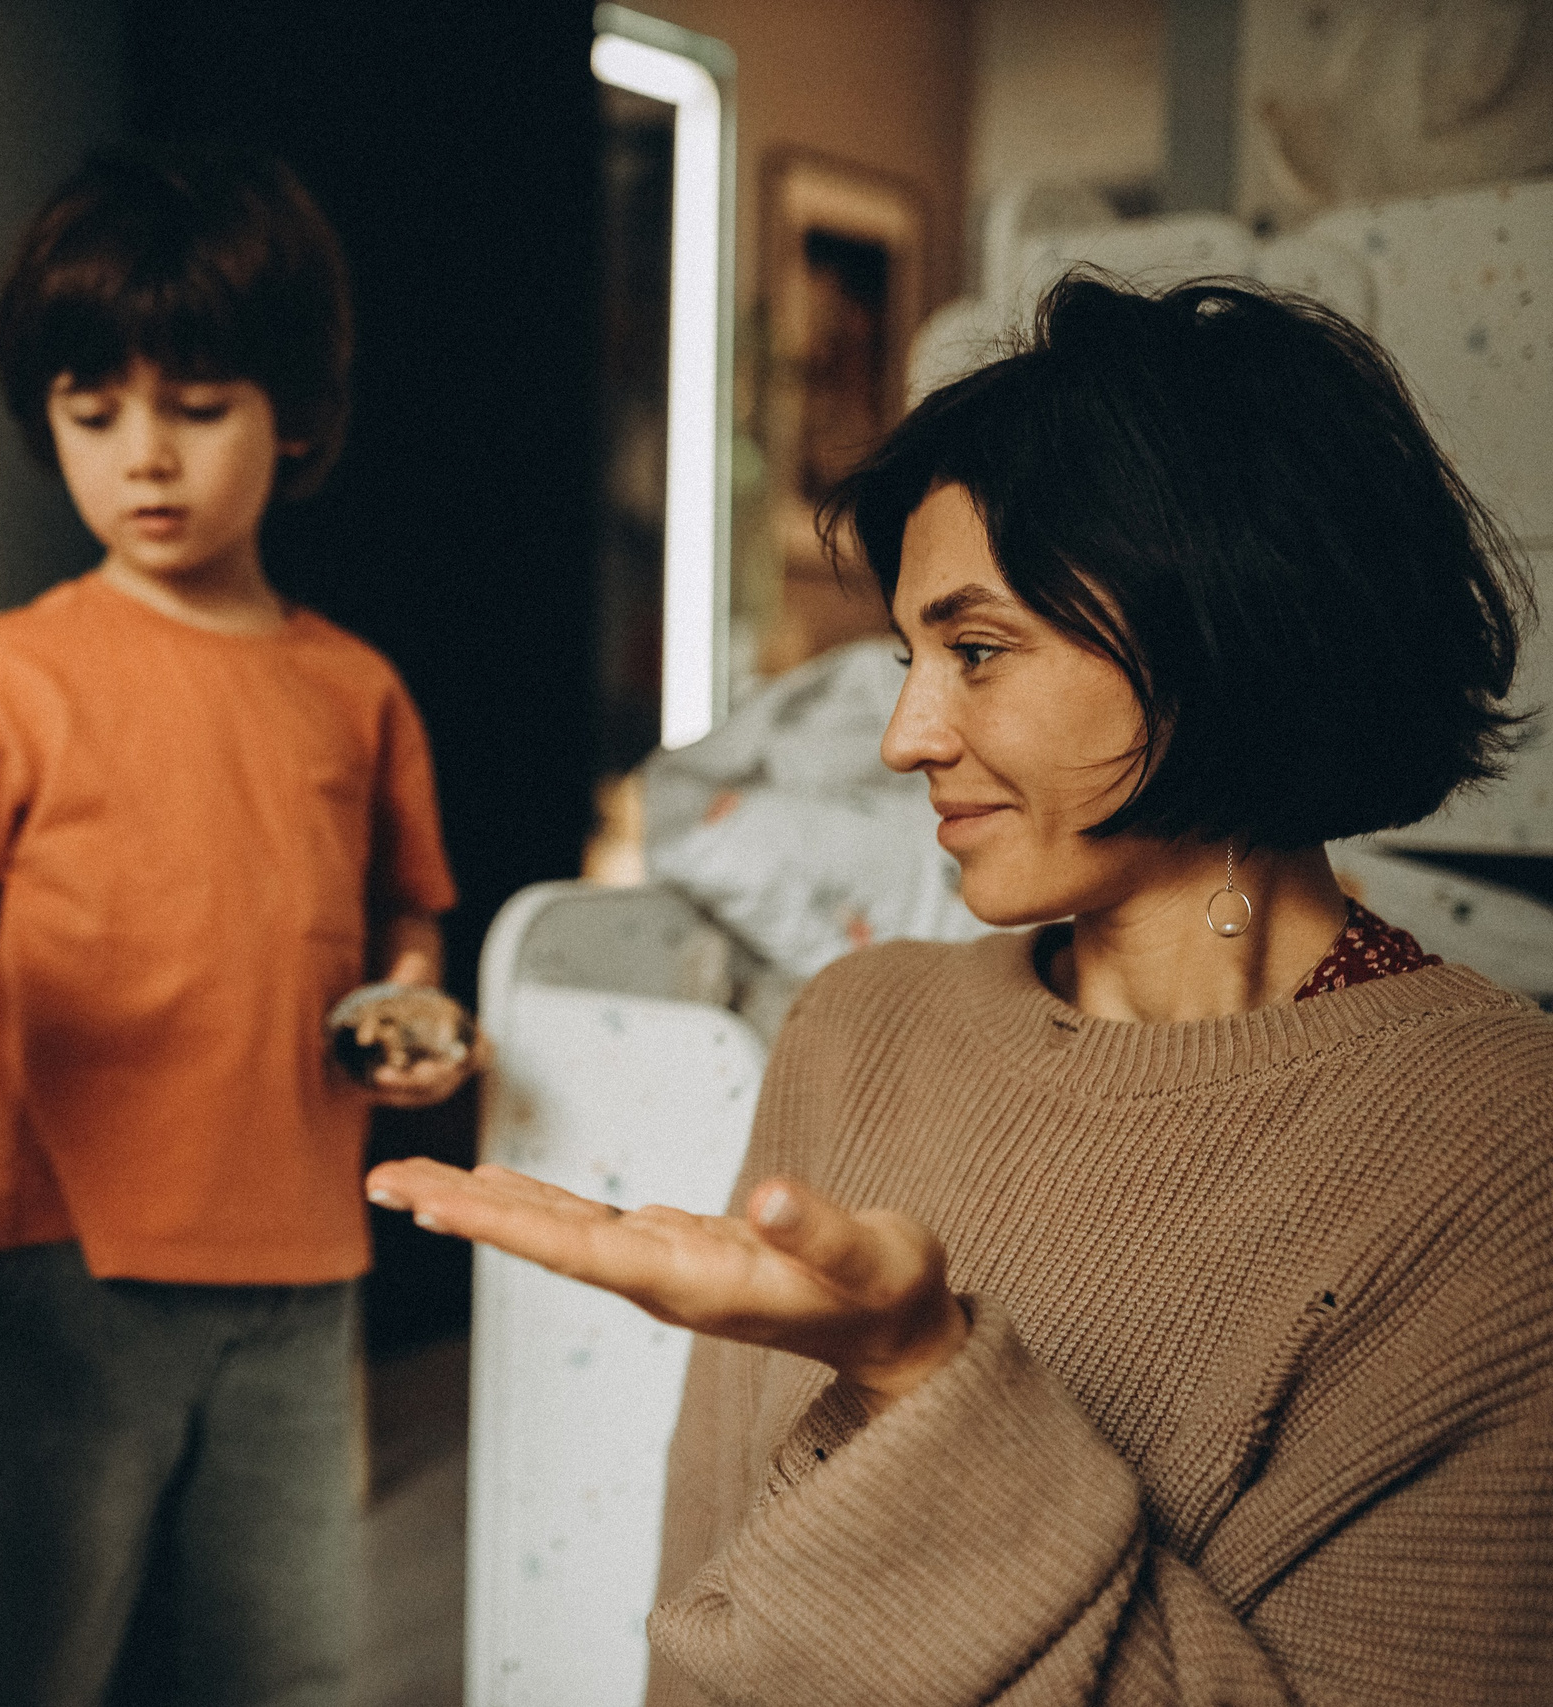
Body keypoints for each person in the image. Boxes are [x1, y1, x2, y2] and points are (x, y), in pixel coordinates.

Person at [370, 276, 1553, 1702]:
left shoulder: (1498, 1149)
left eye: (977, 651)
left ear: (1222, 623)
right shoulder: (856, 1025)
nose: (904, 734)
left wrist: (924, 1376)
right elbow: (705, 1610)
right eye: (909, 656)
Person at [0, 146, 470, 1705]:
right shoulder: (11, 672)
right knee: (21, 1655)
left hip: (300, 1268)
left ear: (296, 413)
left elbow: (409, 921)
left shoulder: (358, 687)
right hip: (65, 1255)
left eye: (197, 410)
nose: (146, 456)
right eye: (93, 412)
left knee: (278, 1660)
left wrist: (415, 1011)